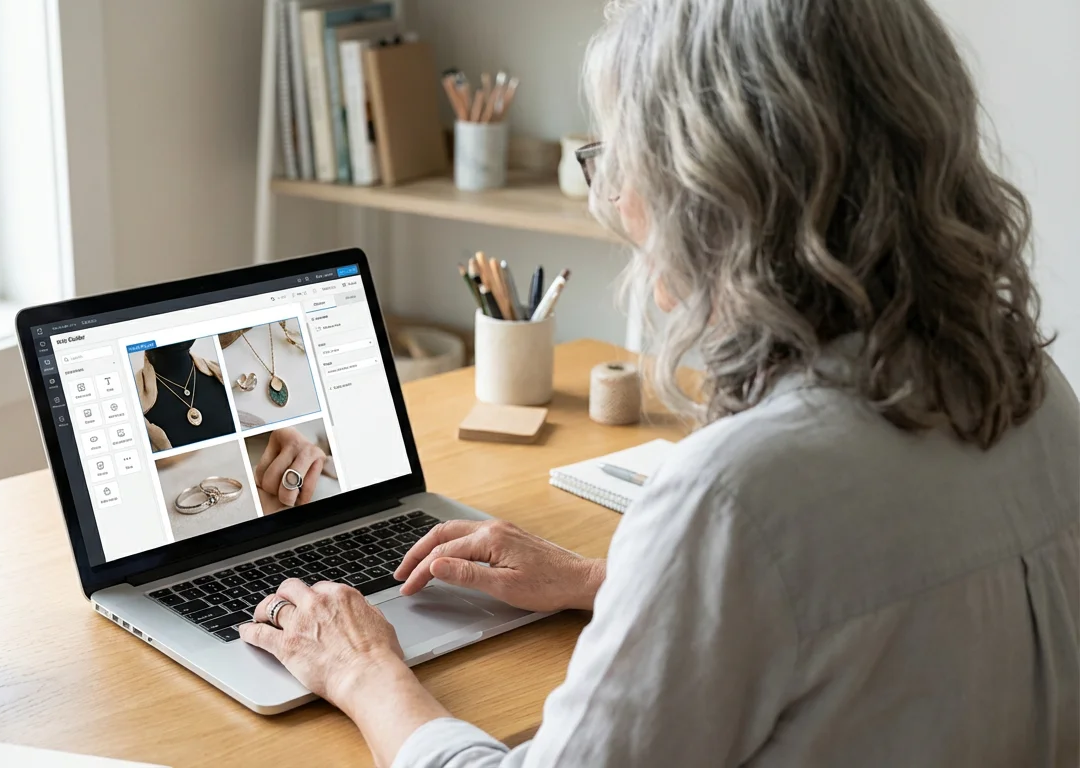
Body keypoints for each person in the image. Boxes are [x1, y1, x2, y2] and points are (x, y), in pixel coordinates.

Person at [236, 0, 1080, 765]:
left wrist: (365, 670)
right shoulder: (1029, 388)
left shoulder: (736, 496)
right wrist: (609, 584)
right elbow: (864, 609)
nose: (615, 202)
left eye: (619, 159)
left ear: (713, 191)